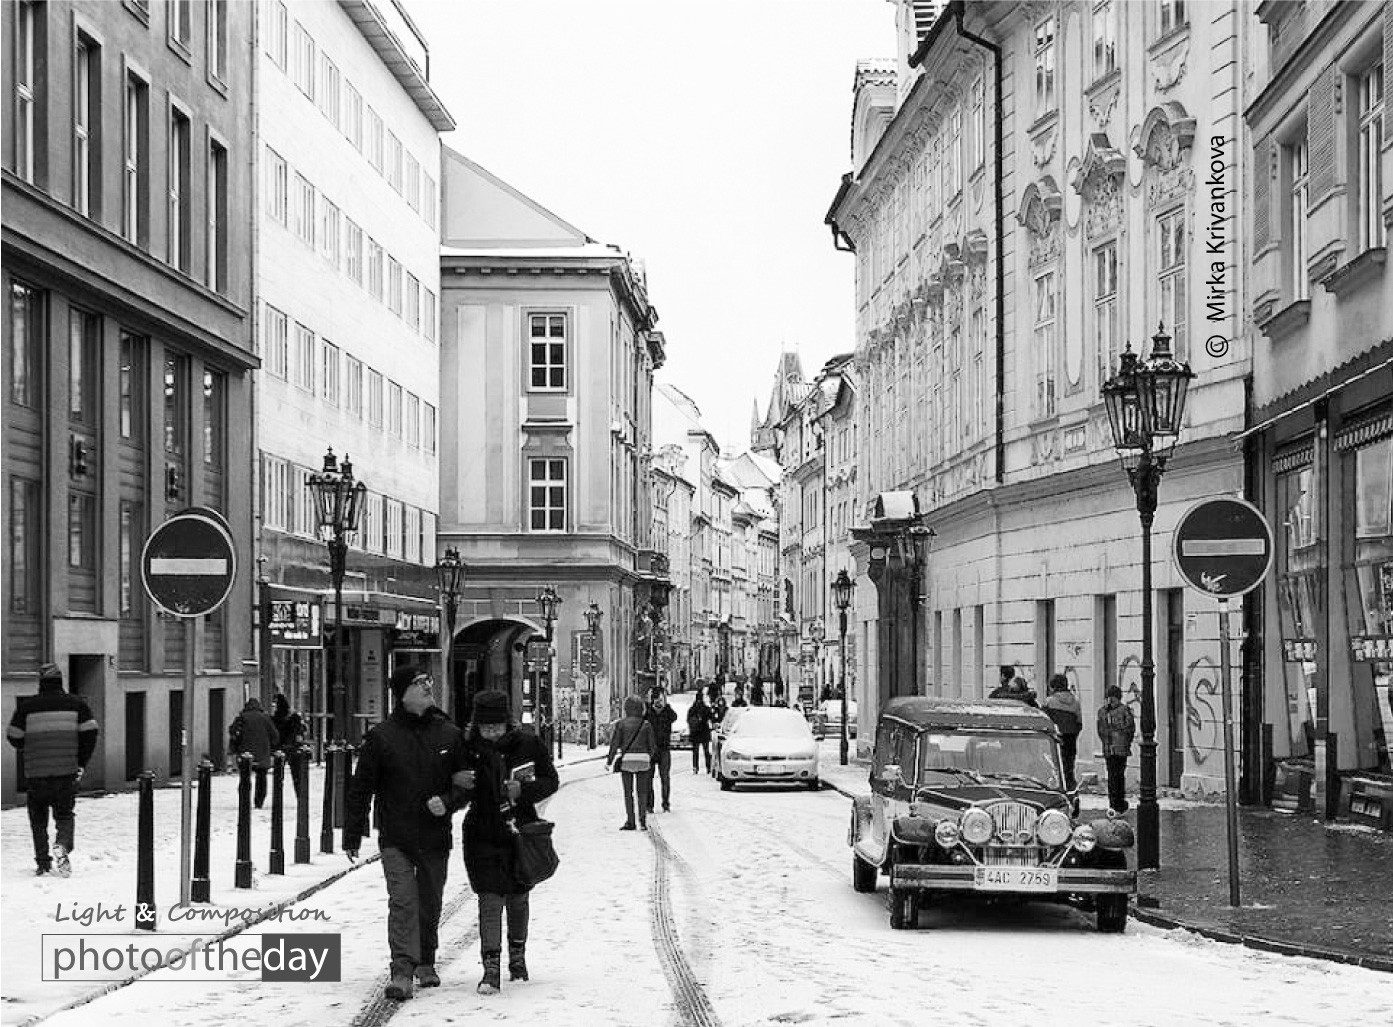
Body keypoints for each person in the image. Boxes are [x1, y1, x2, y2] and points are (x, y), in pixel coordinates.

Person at [343, 668, 468, 1001]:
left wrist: (449, 801)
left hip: (434, 836)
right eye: (418, 683)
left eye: (429, 682)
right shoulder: (382, 737)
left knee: (430, 901)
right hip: (396, 835)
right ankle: (401, 969)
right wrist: (352, 833)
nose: (428, 687)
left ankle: (425, 959)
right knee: (403, 901)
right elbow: (361, 787)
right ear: (401, 693)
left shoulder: (449, 734)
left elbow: (465, 782)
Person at [453, 689, 558, 996]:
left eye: (497, 727)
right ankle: (490, 968)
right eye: (486, 727)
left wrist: (523, 791)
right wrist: (457, 786)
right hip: (481, 833)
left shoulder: (527, 743)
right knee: (489, 898)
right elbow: (454, 785)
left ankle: (517, 955)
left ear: (507, 723)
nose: (491, 733)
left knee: (518, 895)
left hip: (519, 831)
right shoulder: (468, 747)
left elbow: (550, 780)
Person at [6, 663, 99, 877]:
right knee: (65, 815)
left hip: (36, 772)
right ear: (60, 681)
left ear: (41, 682)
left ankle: (42, 862)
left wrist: (29, 747)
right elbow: (91, 733)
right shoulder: (77, 704)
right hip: (66, 771)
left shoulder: (27, 707)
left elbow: (13, 735)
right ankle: (63, 846)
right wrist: (81, 761)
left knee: (38, 819)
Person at [606, 696, 656, 831]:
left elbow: (614, 744)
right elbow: (652, 747)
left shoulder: (621, 724)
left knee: (628, 792)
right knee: (642, 792)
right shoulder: (646, 725)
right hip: (643, 761)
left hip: (627, 760)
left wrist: (609, 760)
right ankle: (643, 821)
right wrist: (647, 756)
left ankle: (631, 821)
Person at [228, 697, 280, 809]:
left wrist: (235, 749)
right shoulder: (265, 718)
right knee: (261, 778)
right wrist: (271, 748)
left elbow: (233, 732)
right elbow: (275, 735)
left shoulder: (242, 718)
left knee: (245, 777)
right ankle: (259, 801)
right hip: (262, 754)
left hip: (245, 753)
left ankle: (244, 800)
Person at [1097, 684, 1136, 814]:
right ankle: (1116, 803)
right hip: (1115, 749)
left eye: (1112, 698)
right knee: (1116, 776)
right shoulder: (1111, 711)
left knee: (1115, 776)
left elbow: (1102, 730)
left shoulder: (1106, 711)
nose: (1110, 700)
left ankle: (1116, 803)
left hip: (1115, 749)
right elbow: (1129, 729)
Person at [1040, 674, 1083, 788]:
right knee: (1069, 766)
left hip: (1055, 738)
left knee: (1055, 765)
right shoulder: (1075, 702)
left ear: (1053, 686)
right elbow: (1079, 722)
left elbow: (1043, 721)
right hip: (1071, 738)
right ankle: (1070, 787)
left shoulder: (1049, 702)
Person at [644, 688, 678, 813]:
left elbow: (674, 717)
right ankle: (649, 805)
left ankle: (665, 803)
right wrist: (649, 705)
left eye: (661, 700)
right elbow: (644, 718)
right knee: (648, 779)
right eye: (657, 700)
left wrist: (666, 705)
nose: (659, 703)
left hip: (664, 749)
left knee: (665, 778)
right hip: (651, 750)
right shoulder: (649, 713)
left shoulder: (667, 713)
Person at [270, 692, 307, 798]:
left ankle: (278, 798)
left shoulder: (275, 719)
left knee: (278, 776)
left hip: (281, 748)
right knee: (297, 775)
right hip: (293, 748)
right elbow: (301, 731)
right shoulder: (294, 717)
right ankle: (300, 796)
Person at [686, 690, 714, 774]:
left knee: (695, 751)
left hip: (695, 733)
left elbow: (688, 720)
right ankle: (708, 767)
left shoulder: (692, 709)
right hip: (704, 731)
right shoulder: (706, 708)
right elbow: (711, 718)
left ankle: (695, 767)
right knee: (706, 751)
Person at [706, 684, 728, 778]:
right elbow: (711, 719)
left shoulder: (727, 711)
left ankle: (719, 767)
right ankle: (715, 768)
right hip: (717, 732)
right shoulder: (714, 710)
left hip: (725, 732)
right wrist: (714, 725)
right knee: (715, 751)